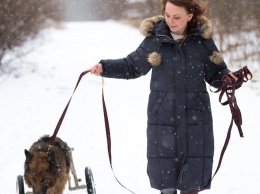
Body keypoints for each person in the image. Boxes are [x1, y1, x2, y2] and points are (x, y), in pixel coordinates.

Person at [89, 0, 239, 193]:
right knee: (166, 184)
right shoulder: (156, 39)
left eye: (176, 17)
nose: (170, 21)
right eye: (167, 15)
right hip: (163, 121)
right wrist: (105, 67)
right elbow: (132, 66)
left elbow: (216, 75)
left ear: (190, 16)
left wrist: (231, 79)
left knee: (192, 185)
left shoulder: (202, 41)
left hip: (197, 122)